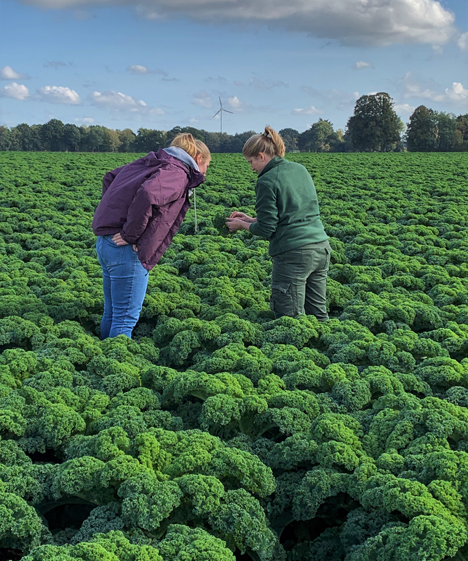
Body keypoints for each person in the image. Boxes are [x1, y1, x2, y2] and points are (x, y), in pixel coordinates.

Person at [92, 133, 211, 339]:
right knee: (125, 318)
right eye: (207, 165)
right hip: (125, 250)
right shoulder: (177, 172)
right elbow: (148, 194)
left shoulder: (154, 161)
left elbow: (110, 177)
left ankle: (104, 358)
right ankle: (115, 365)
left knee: (113, 314)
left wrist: (113, 218)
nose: (206, 171)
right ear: (198, 159)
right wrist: (131, 233)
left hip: (106, 243)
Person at [226, 126, 331, 321]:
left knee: (289, 319)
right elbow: (291, 214)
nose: (251, 168)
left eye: (251, 162)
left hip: (294, 254)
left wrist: (240, 226)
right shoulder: (300, 169)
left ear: (261, 156)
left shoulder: (266, 181)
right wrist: (249, 219)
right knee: (319, 315)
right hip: (321, 248)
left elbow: (267, 228)